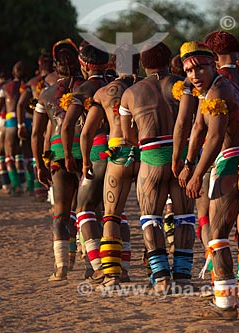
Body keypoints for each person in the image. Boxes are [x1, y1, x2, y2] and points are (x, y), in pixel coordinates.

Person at [177, 41, 239, 319]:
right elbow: (198, 128)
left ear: (213, 65)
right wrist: (189, 163)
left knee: (217, 237)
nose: (194, 75)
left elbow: (214, 137)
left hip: (230, 162)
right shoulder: (211, 90)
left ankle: (225, 306)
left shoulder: (217, 90)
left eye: (200, 67)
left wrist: (198, 174)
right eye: (189, 71)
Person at [120, 42, 195, 292]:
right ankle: (183, 276)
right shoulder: (184, 85)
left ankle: (161, 277)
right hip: (182, 155)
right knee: (184, 217)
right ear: (168, 59)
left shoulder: (131, 93)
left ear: (143, 64)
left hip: (151, 157)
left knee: (151, 218)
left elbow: (127, 135)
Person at [80, 44, 141, 287]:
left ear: (114, 65)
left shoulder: (105, 93)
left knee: (111, 215)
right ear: (138, 64)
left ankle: (113, 273)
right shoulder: (148, 88)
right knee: (152, 215)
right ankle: (165, 274)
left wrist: (85, 160)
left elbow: (86, 133)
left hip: (117, 152)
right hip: (148, 152)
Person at [31, 38, 85, 281]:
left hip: (56, 153)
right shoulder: (89, 88)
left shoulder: (46, 95)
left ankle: (62, 266)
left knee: (61, 211)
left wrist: (39, 164)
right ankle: (90, 262)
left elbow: (36, 134)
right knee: (87, 209)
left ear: (55, 66)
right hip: (85, 149)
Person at [60, 43, 110, 280]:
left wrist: (71, 156)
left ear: (86, 65)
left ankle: (100, 266)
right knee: (113, 211)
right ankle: (122, 268)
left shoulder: (85, 89)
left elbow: (68, 125)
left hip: (98, 150)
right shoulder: (116, 85)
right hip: (123, 151)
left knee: (84, 208)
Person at [17, 54, 54, 201]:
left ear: (39, 65)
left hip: (38, 120)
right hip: (54, 120)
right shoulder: (58, 80)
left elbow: (20, 104)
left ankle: (40, 191)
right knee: (51, 150)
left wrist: (24, 120)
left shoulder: (33, 83)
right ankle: (52, 192)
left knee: (37, 150)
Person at [0, 61, 28, 195]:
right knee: (23, 154)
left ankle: (15, 186)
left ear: (13, 73)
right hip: (26, 121)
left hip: (9, 122)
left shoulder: (5, 87)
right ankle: (31, 186)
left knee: (8, 155)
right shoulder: (29, 86)